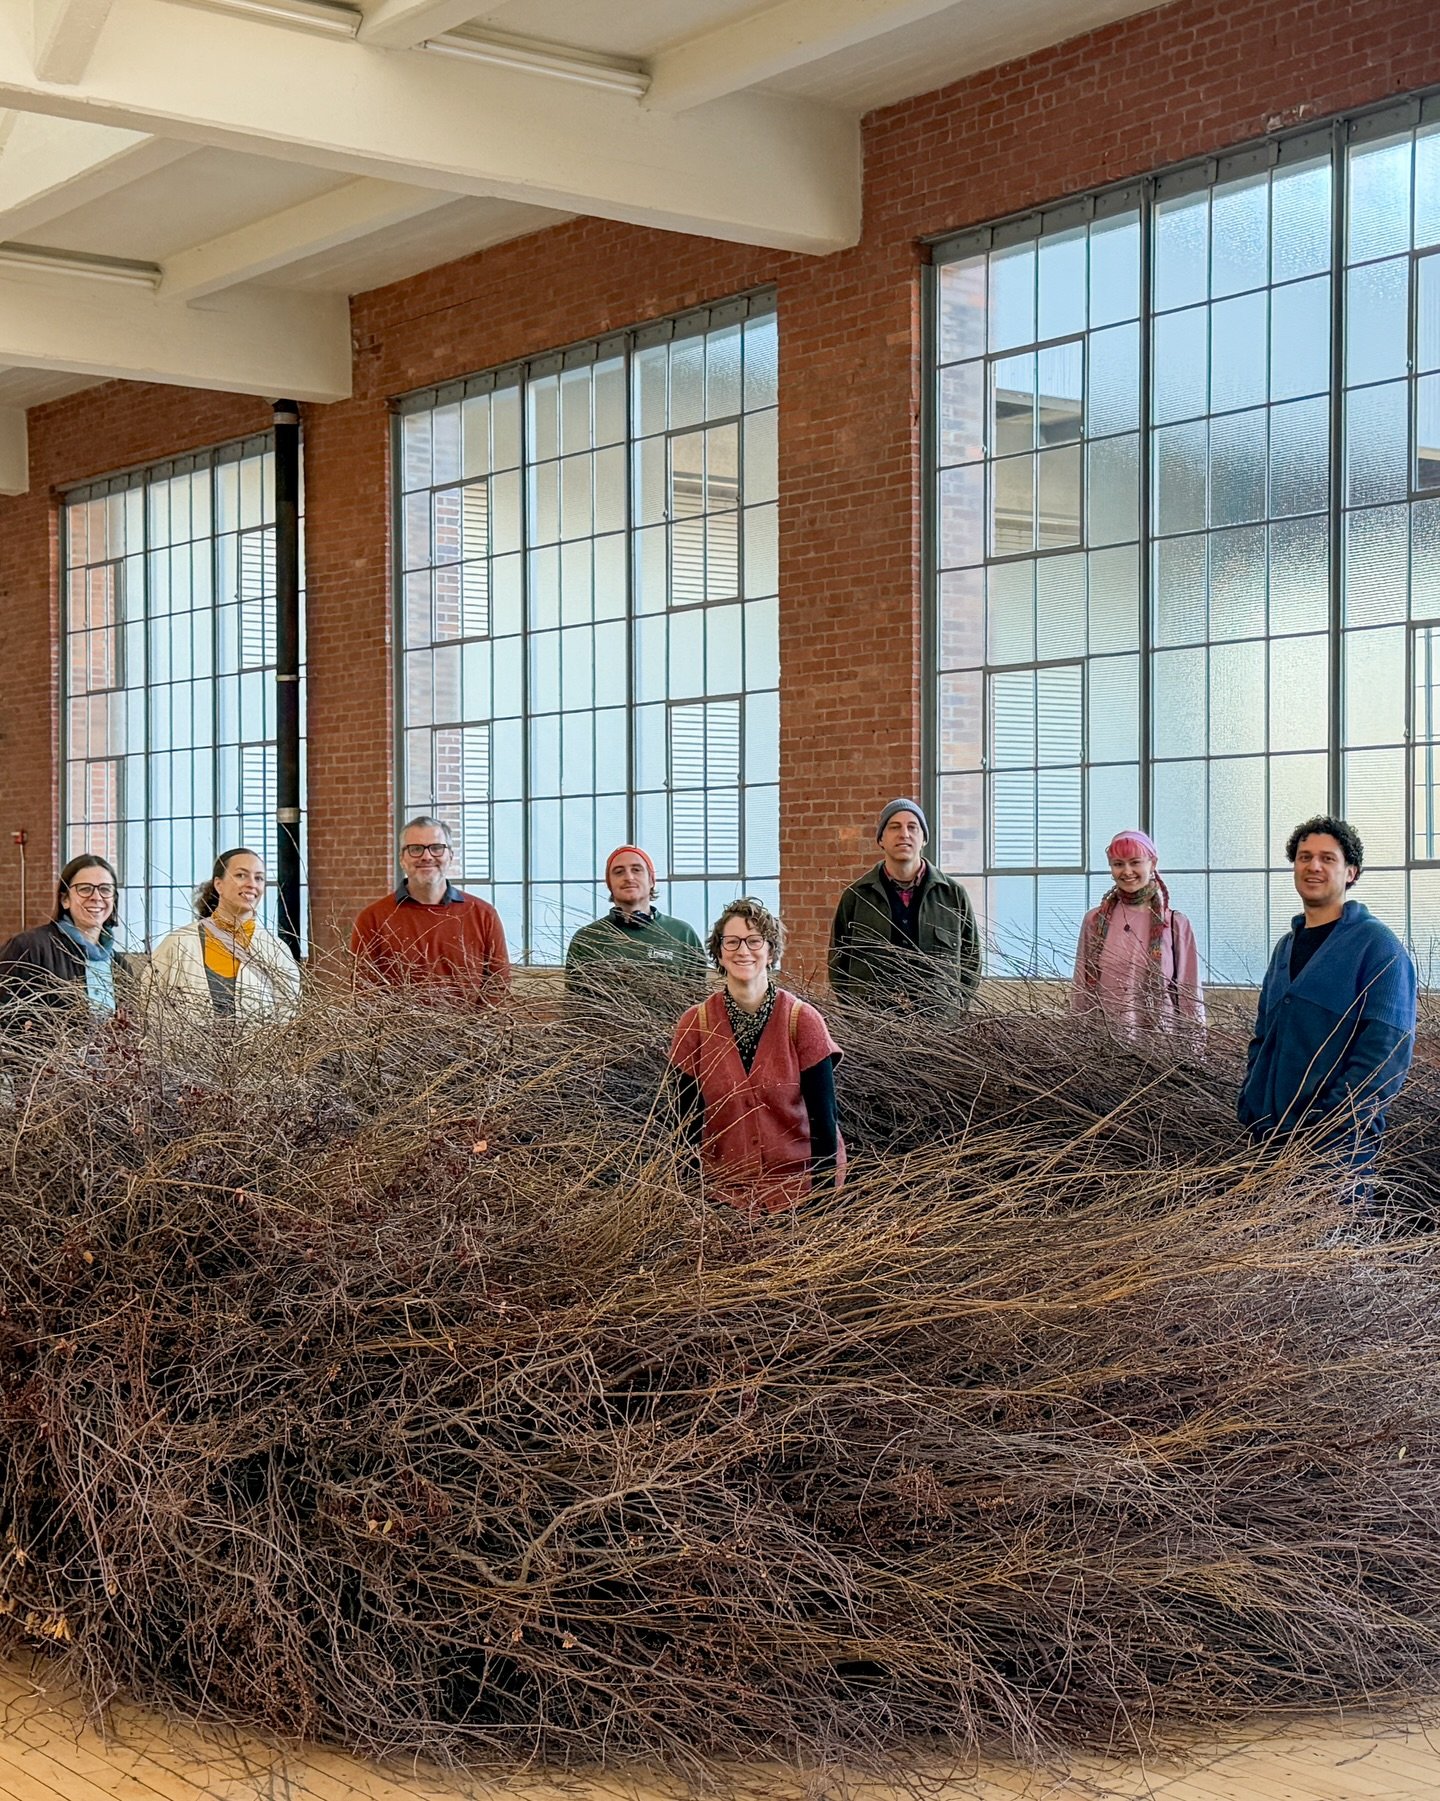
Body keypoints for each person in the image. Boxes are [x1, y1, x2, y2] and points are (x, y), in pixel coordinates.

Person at [1238, 815, 1416, 1176]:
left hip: (1336, 1154)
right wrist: (1251, 1100)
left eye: (1327, 858)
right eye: (1304, 857)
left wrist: (1328, 1122)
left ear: (1351, 872)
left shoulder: (1377, 947)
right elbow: (1263, 1037)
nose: (1313, 866)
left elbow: (1386, 1054)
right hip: (1268, 1142)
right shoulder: (1285, 949)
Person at [668, 897, 844, 1214]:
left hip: (797, 1190)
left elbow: (824, 1125)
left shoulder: (802, 1021)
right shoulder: (695, 1025)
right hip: (723, 1193)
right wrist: (691, 1203)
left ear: (771, 951)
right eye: (732, 942)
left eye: (754, 941)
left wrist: (820, 1207)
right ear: (719, 953)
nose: (743, 951)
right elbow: (685, 1125)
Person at [829, 798, 980, 1008]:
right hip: (872, 1025)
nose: (904, 834)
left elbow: (971, 962)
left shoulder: (953, 895)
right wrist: (855, 1012)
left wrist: (953, 1010)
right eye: (894, 827)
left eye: (912, 827)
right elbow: (838, 962)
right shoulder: (856, 896)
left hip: (938, 1027)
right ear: (881, 838)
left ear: (924, 838)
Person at [351, 816, 510, 999]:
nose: (427, 857)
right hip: (396, 1028)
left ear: (450, 856)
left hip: (473, 1027)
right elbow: (364, 992)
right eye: (416, 849)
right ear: (402, 858)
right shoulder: (372, 919)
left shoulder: (483, 915)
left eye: (436, 848)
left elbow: (498, 986)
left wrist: (473, 1027)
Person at [1072, 830, 1205, 1040]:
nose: (1127, 871)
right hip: (1103, 1042)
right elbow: (1081, 987)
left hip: (1161, 1044)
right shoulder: (1095, 922)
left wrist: (1195, 1048)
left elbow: (1190, 991)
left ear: (1152, 863)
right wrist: (1076, 1037)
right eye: (1118, 864)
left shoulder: (1175, 923)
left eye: (1135, 862)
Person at [143, 847, 300, 1021]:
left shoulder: (276, 950)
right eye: (241, 875)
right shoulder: (179, 943)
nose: (252, 884)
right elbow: (150, 1006)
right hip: (186, 1047)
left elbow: (289, 1019)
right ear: (219, 884)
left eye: (259, 878)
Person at [0, 854, 127, 1030]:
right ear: (65, 899)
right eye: (84, 888)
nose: (96, 897)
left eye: (105, 889)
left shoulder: (120, 966)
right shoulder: (29, 948)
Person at [565, 845, 705, 996]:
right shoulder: (587, 938)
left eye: (636, 870)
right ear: (609, 885)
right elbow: (576, 1003)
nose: (629, 877)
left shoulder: (682, 933)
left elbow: (698, 998)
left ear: (651, 880)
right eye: (619, 872)